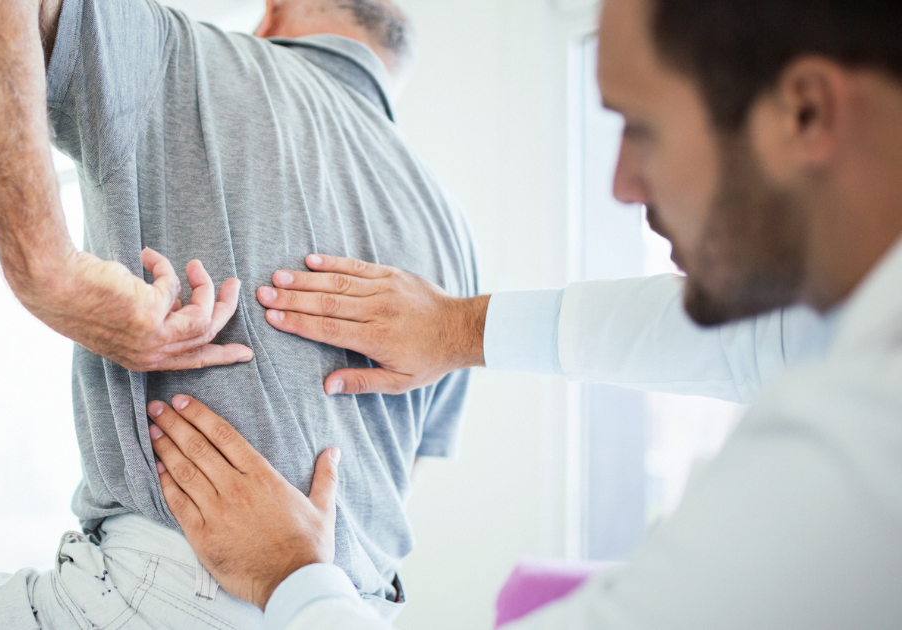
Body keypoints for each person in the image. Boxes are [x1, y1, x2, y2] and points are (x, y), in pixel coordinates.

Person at [0, 0, 480, 628]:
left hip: (172, 594)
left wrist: (49, 273)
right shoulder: (455, 242)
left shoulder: (195, 55)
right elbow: (385, 481)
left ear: (274, 15)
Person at [143, 0, 902, 627]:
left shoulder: (864, 440)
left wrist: (294, 577)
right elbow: (754, 343)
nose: (621, 185)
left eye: (641, 128)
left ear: (804, 111)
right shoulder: (850, 337)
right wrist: (457, 328)